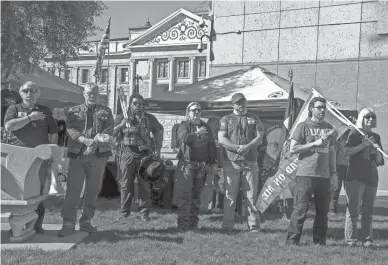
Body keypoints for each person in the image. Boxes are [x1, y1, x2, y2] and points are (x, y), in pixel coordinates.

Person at [58, 83, 114, 237]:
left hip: (98, 154)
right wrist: (85, 141)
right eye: (89, 92)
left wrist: (95, 142)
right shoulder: (73, 111)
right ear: (84, 93)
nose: (92, 95)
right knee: (73, 189)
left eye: (95, 92)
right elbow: (71, 129)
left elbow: (110, 128)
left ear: (99, 94)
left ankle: (86, 221)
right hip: (78, 154)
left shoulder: (107, 111)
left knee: (93, 190)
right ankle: (68, 223)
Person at [4, 81, 59, 234]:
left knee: (39, 192)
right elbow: (9, 126)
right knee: (16, 193)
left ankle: (37, 224)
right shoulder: (14, 108)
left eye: (33, 90)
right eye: (26, 90)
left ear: (38, 94)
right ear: (21, 93)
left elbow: (53, 133)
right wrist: (29, 118)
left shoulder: (45, 110)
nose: (30, 93)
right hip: (16, 159)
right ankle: (15, 225)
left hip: (39, 159)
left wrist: (52, 153)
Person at [285, 97, 337, 246]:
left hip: (324, 175)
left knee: (323, 212)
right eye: (319, 107)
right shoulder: (303, 126)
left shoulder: (329, 128)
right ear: (311, 109)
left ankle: (319, 242)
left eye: (324, 108)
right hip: (305, 174)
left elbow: (332, 151)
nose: (322, 110)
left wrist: (333, 173)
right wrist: (315, 143)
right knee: (300, 209)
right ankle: (292, 242)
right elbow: (293, 148)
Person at [113, 93, 164, 222]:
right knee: (125, 185)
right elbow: (111, 133)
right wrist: (121, 125)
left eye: (140, 104)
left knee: (144, 185)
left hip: (145, 156)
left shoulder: (149, 118)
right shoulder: (121, 117)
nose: (138, 106)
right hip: (127, 155)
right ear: (130, 104)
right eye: (135, 103)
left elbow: (158, 132)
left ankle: (144, 213)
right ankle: (124, 212)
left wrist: (158, 149)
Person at [218, 93, 264, 233]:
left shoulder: (254, 118)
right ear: (232, 104)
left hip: (251, 162)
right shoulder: (226, 119)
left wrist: (247, 146)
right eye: (237, 103)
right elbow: (221, 138)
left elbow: (260, 137)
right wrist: (237, 148)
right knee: (230, 196)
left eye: (243, 102)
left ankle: (254, 227)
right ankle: (227, 227)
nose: (240, 105)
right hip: (231, 162)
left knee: (251, 196)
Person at [344, 108, 385, 248]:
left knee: (368, 212)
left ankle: (367, 239)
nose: (370, 119)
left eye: (373, 117)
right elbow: (347, 151)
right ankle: (351, 240)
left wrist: (377, 152)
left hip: (371, 177)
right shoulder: (354, 133)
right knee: (353, 211)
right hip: (355, 176)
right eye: (367, 117)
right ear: (361, 118)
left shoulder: (376, 137)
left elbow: (380, 161)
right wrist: (364, 145)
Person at [176, 102, 217, 232]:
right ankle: (182, 225)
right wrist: (197, 133)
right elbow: (185, 138)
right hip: (187, 165)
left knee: (196, 197)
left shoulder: (206, 126)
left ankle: (193, 225)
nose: (197, 113)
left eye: (199, 110)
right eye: (194, 110)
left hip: (202, 166)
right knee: (185, 196)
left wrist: (214, 161)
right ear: (188, 112)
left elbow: (211, 145)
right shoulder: (184, 125)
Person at [329, 129, 350, 213]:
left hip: (350, 167)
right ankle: (332, 208)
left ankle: (350, 208)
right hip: (339, 167)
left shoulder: (352, 141)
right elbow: (334, 153)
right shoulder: (339, 141)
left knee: (349, 188)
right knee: (336, 188)